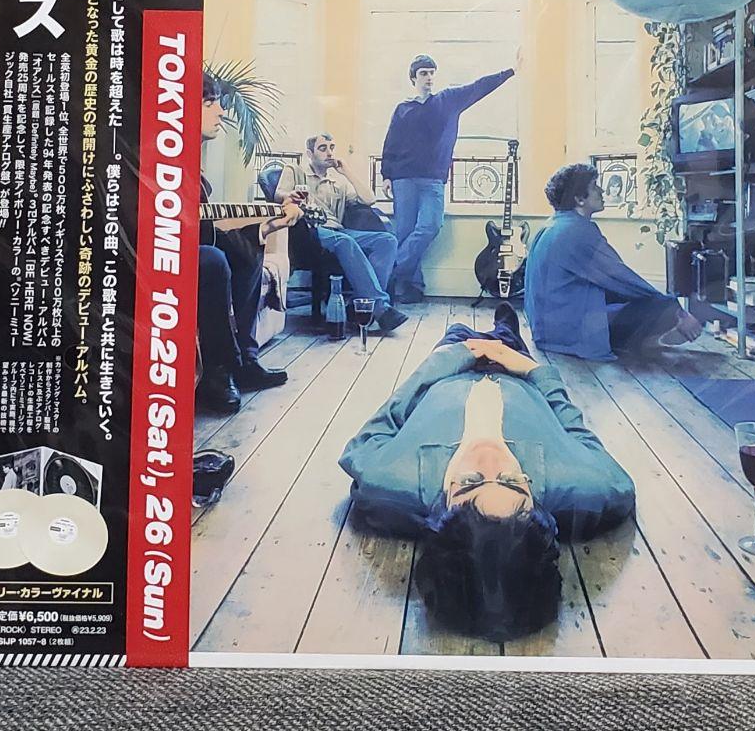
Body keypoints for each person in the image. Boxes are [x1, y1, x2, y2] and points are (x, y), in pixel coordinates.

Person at [339, 304, 635, 641]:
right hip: (517, 371)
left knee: (455, 329)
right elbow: (582, 437)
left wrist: (450, 357)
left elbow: (387, 417)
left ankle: (469, 328)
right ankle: (505, 326)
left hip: (449, 367)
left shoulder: (387, 479)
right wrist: (534, 369)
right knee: (507, 333)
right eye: (513, 482)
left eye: (469, 483)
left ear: (441, 506)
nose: (491, 458)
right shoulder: (587, 486)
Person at [198, 73, 302, 416]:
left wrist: (271, 225)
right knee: (212, 259)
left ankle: (245, 361)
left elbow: (203, 226)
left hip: (192, 244)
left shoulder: (192, 165)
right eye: (209, 103)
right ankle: (218, 372)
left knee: (248, 249)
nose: (221, 112)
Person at [524, 163, 702, 362]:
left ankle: (643, 340)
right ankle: (646, 340)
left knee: (629, 299)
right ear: (579, 199)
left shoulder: (552, 224)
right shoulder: (578, 231)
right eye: (594, 186)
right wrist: (678, 312)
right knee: (662, 304)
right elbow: (622, 278)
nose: (602, 190)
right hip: (568, 334)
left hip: (546, 331)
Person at [380, 52, 518, 303]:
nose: (429, 77)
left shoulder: (448, 100)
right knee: (404, 233)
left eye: (432, 73)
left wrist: (510, 71)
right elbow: (391, 142)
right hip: (403, 177)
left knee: (430, 226)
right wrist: (386, 174)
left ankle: (386, 272)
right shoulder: (403, 109)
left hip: (433, 179)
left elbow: (478, 87)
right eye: (423, 73)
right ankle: (411, 288)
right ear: (413, 78)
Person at [276, 134, 408, 334]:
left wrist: (346, 171)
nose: (329, 152)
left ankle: (359, 305)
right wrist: (290, 196)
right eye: (322, 148)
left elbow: (369, 199)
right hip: (310, 232)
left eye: (332, 147)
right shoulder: (295, 170)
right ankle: (380, 307)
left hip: (338, 231)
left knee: (387, 241)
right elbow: (278, 194)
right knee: (345, 241)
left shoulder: (337, 183)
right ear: (310, 153)